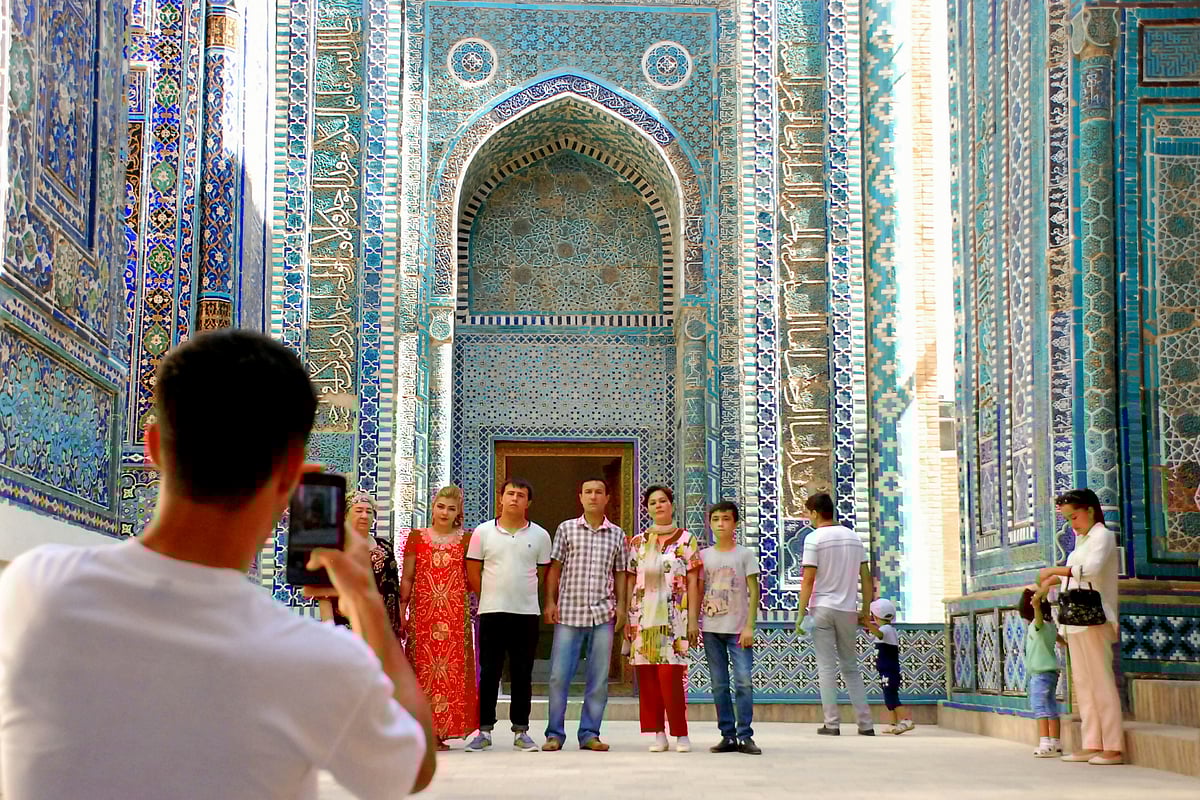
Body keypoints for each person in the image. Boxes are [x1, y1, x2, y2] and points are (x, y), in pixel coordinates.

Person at [0, 329, 436, 798]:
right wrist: (365, 599)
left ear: (153, 448)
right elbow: (413, 769)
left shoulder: (33, 589)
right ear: (293, 472)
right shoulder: (314, 660)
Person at [1037, 488, 1123, 765]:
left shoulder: (1103, 536)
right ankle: (1092, 743)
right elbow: (1074, 576)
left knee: (1101, 682)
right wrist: (1049, 583)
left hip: (1095, 618)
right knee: (1084, 685)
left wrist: (1054, 570)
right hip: (1075, 621)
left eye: (1074, 516)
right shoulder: (1081, 540)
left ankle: (1112, 746)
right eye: (1068, 519)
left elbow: (1092, 569)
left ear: (1089, 510)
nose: (1072, 523)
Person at [542, 477, 629, 752]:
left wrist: (623, 608)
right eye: (588, 492)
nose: (593, 496)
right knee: (558, 676)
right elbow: (555, 568)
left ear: (607, 498)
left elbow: (621, 574)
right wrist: (550, 602)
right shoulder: (566, 529)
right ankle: (554, 734)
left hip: (603, 613)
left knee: (599, 677)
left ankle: (590, 733)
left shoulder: (617, 534)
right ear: (580, 497)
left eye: (599, 492)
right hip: (568, 611)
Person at [464, 478, 552, 753]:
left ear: (528, 502)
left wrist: (520, 593)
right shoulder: (482, 532)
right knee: (489, 672)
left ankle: (521, 731)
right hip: (491, 611)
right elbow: (472, 570)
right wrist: (489, 595)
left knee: (522, 672)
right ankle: (484, 730)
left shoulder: (540, 535)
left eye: (521, 495)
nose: (515, 499)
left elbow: (542, 574)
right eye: (510, 494)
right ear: (501, 498)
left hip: (526, 613)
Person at [400, 486, 479, 751]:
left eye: (451, 508)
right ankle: (423, 731)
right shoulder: (416, 537)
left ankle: (442, 731)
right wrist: (402, 608)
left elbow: (472, 579)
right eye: (441, 506)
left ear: (459, 513)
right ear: (433, 507)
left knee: (450, 673)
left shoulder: (466, 540)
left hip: (455, 617)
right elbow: (408, 577)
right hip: (423, 617)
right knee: (423, 672)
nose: (445, 512)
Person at [626, 485, 701, 753]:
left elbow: (693, 581)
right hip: (643, 618)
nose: (658, 506)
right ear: (647, 509)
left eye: (663, 501)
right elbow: (632, 579)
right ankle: (658, 733)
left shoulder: (686, 540)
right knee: (648, 679)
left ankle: (680, 733)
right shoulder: (638, 542)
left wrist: (693, 619)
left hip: (675, 620)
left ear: (671, 505)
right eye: (653, 503)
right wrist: (627, 616)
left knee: (671, 677)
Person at [795, 492, 875, 736]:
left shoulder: (814, 538)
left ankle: (832, 723)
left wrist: (801, 613)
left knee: (827, 666)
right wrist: (865, 609)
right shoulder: (853, 538)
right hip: (847, 609)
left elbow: (808, 579)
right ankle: (865, 723)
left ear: (815, 513)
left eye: (808, 513)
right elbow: (866, 578)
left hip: (822, 608)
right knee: (851, 666)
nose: (807, 518)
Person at [698, 501, 761, 755]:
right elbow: (698, 590)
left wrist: (749, 626)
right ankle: (728, 735)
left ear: (735, 523)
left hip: (738, 630)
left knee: (744, 682)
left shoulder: (745, 555)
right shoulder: (704, 556)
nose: (720, 524)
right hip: (712, 628)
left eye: (726, 519)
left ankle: (745, 735)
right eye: (716, 519)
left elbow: (754, 591)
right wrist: (695, 622)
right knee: (719, 684)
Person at [332, 493, 403, 639]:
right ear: (345, 515)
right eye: (358, 511)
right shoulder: (335, 548)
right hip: (345, 629)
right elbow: (324, 594)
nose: (364, 515)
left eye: (369, 512)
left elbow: (393, 589)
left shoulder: (385, 547)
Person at [1020, 586, 1063, 757]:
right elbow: (1061, 640)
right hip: (1052, 672)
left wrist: (1036, 604)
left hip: (1041, 673)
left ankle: (1044, 743)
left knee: (1039, 706)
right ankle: (1056, 743)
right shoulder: (1050, 627)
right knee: (1051, 706)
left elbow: (1037, 615)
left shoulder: (1038, 625)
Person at [863, 598, 914, 735]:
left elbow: (879, 633)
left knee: (891, 697)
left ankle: (906, 720)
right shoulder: (888, 629)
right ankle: (893, 724)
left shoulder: (886, 629)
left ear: (875, 615)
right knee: (888, 696)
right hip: (887, 670)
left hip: (889, 671)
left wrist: (866, 623)